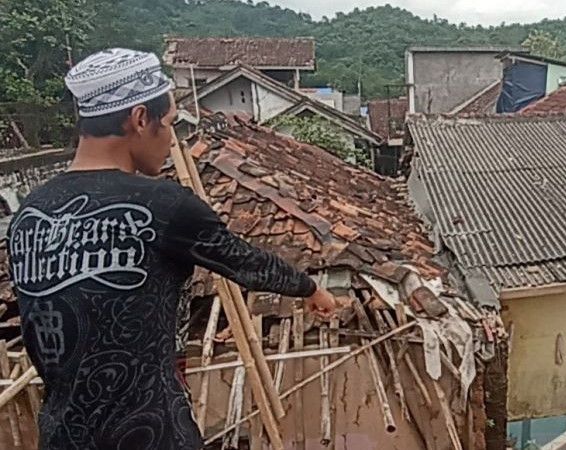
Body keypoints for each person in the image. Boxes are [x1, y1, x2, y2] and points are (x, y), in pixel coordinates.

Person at [6, 48, 338, 450]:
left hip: (63, 438)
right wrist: (310, 289)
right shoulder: (164, 205)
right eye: (169, 124)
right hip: (152, 434)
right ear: (140, 119)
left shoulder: (29, 214)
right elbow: (247, 264)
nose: (171, 139)